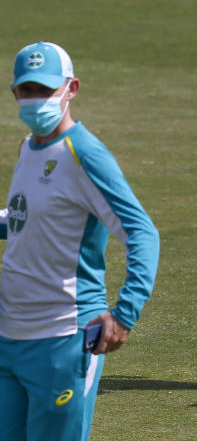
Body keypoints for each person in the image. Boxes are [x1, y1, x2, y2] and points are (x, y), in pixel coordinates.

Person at [0, 41, 160, 441]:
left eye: (45, 90)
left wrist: (124, 314)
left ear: (71, 89)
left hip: (62, 342)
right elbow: (25, 219)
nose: (35, 100)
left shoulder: (84, 154)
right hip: (8, 338)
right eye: (28, 90)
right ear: (15, 92)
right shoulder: (28, 148)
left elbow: (142, 232)